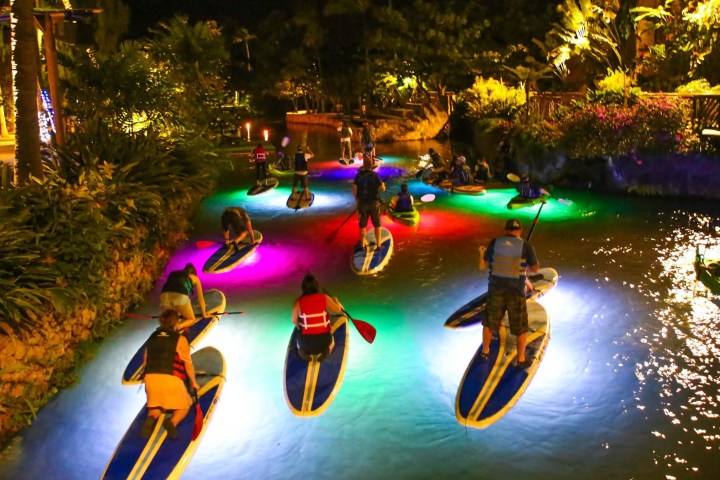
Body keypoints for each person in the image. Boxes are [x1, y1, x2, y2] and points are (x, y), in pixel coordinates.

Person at [478, 219, 540, 369]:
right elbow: (535, 268)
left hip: (495, 289)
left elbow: (485, 265)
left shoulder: (494, 242)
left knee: (489, 323)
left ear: (505, 230)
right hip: (516, 291)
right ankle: (520, 359)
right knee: (520, 327)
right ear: (519, 231)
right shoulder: (526, 246)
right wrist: (523, 269)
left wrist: (481, 254)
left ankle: (485, 351)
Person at [140, 309, 199, 439]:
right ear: (176, 323)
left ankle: (152, 417)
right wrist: (194, 383)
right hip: (171, 380)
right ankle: (172, 422)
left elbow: (145, 362)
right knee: (185, 405)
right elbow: (188, 364)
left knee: (156, 405)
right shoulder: (180, 339)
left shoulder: (152, 337)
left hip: (151, 380)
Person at [291, 274, 345, 361]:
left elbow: (294, 320)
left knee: (298, 341)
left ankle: (302, 351)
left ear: (303, 287)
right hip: (323, 342)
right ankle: (326, 351)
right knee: (332, 342)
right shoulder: (324, 298)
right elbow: (339, 310)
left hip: (305, 344)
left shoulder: (298, 302)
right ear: (316, 286)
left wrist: (299, 327)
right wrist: (336, 301)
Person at [160, 263, 207, 331]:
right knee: (191, 319)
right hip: (179, 295)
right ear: (193, 273)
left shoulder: (174, 273)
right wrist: (204, 314)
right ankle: (177, 328)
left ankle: (166, 329)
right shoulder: (195, 278)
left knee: (170, 320)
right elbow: (201, 298)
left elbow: (171, 288)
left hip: (164, 295)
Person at [353, 156, 385, 249]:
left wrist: (357, 201)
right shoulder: (375, 176)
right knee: (377, 224)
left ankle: (362, 245)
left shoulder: (358, 175)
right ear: (372, 165)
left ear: (363, 165)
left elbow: (355, 189)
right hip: (374, 203)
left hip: (362, 203)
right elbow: (382, 189)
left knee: (362, 225)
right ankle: (378, 244)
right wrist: (383, 184)